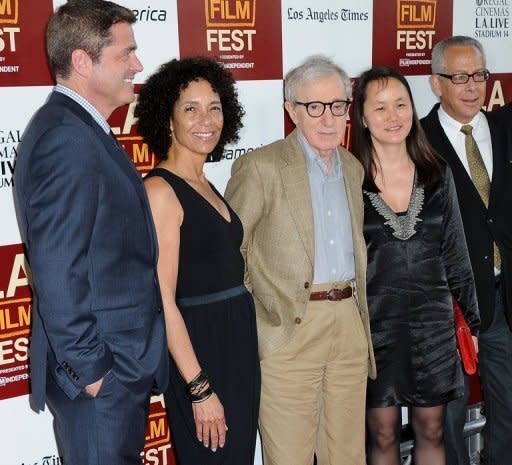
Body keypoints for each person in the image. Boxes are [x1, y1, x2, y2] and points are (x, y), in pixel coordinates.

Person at [13, 1, 168, 464]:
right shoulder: (68, 137)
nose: (137, 65)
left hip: (113, 372)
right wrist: (95, 373)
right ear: (83, 61)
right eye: (126, 54)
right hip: (100, 381)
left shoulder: (79, 129)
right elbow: (58, 268)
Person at [224, 55, 375, 465]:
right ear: (291, 109)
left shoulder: (352, 167)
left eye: (338, 105)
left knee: (346, 454)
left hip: (348, 324)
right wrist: (264, 310)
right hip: (289, 328)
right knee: (288, 456)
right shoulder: (260, 167)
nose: (328, 119)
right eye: (314, 107)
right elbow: (229, 249)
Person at [352, 66, 480, 465]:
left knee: (432, 430)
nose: (393, 117)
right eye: (381, 107)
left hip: (433, 326)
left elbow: (456, 253)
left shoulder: (437, 173)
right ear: (362, 117)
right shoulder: (348, 177)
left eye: (401, 105)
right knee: (384, 435)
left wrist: (471, 324)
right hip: (374, 327)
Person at [135, 56, 260, 465]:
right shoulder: (160, 191)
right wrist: (198, 386)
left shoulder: (205, 183)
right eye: (190, 108)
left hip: (237, 347)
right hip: (202, 352)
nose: (206, 119)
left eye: (215, 107)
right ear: (167, 120)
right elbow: (162, 299)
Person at [422, 36, 512, 465]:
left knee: (509, 411)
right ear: (436, 84)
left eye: (479, 74)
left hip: (504, 304)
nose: (472, 86)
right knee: (447, 422)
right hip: (446, 311)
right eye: (459, 77)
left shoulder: (504, 128)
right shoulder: (414, 143)